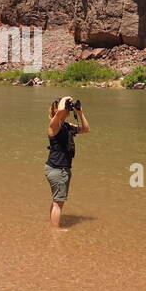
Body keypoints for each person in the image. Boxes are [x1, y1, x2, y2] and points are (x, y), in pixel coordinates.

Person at [44, 95, 90, 228]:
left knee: (57, 201)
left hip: (61, 169)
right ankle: (55, 232)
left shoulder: (67, 126)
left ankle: (52, 225)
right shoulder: (54, 125)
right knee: (59, 202)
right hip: (57, 169)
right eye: (68, 108)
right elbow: (59, 112)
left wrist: (80, 113)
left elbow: (86, 129)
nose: (69, 110)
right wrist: (65, 98)